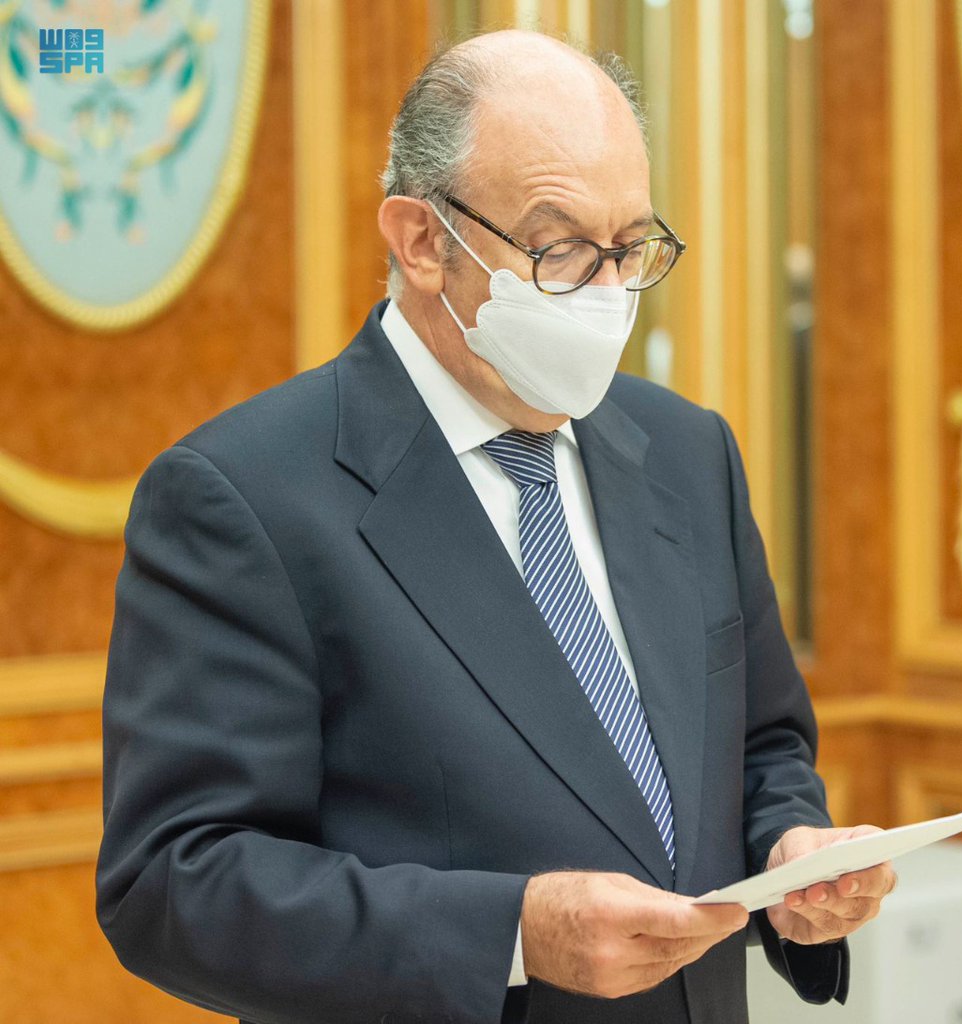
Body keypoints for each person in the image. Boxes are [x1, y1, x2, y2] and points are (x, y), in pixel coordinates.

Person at [95, 28, 895, 1024]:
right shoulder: (243, 497)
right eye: (560, 250)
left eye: (631, 247)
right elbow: (175, 881)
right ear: (422, 240)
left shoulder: (689, 453)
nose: (607, 294)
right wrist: (510, 934)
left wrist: (793, 849)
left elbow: (762, 744)